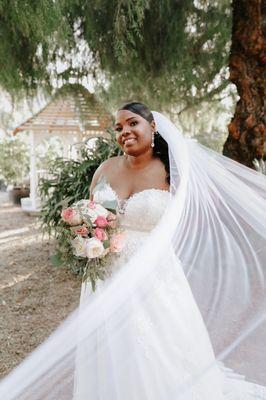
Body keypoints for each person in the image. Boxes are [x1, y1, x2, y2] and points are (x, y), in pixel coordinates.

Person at [0, 103, 265, 400]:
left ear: (153, 127)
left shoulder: (172, 171)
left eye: (132, 123)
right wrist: (84, 234)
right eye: (118, 127)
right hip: (105, 273)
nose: (125, 131)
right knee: (110, 346)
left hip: (154, 275)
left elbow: (196, 215)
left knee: (156, 346)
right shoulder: (106, 169)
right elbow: (93, 214)